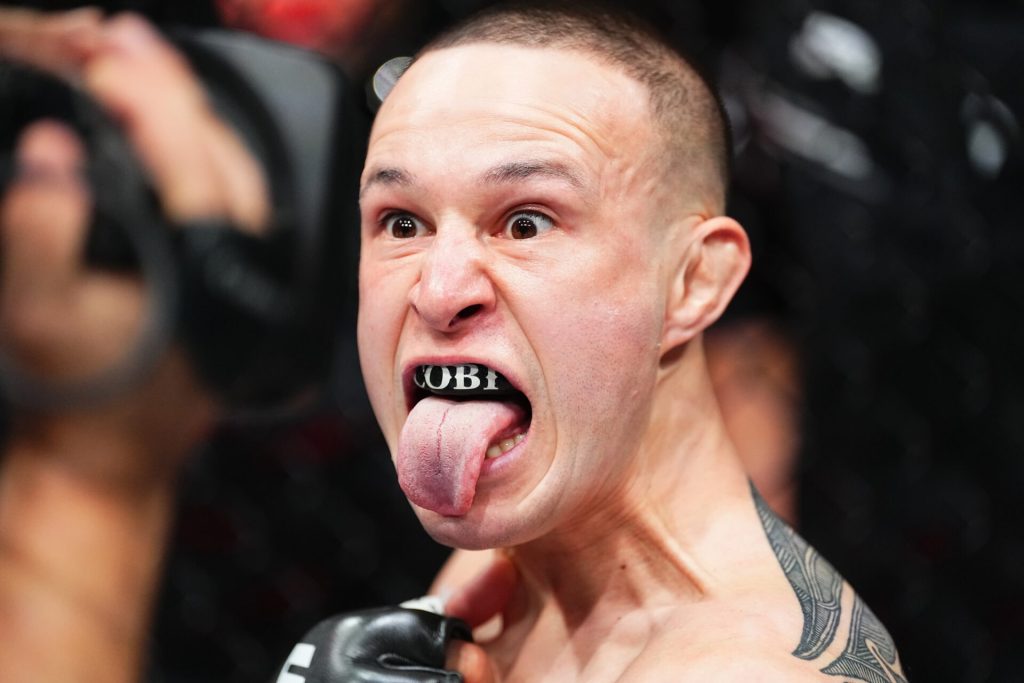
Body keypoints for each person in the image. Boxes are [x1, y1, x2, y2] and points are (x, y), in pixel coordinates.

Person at [0, 3, 906, 682]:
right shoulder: (518, 566)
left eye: (525, 222)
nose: (438, 290)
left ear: (694, 281)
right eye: (401, 222)